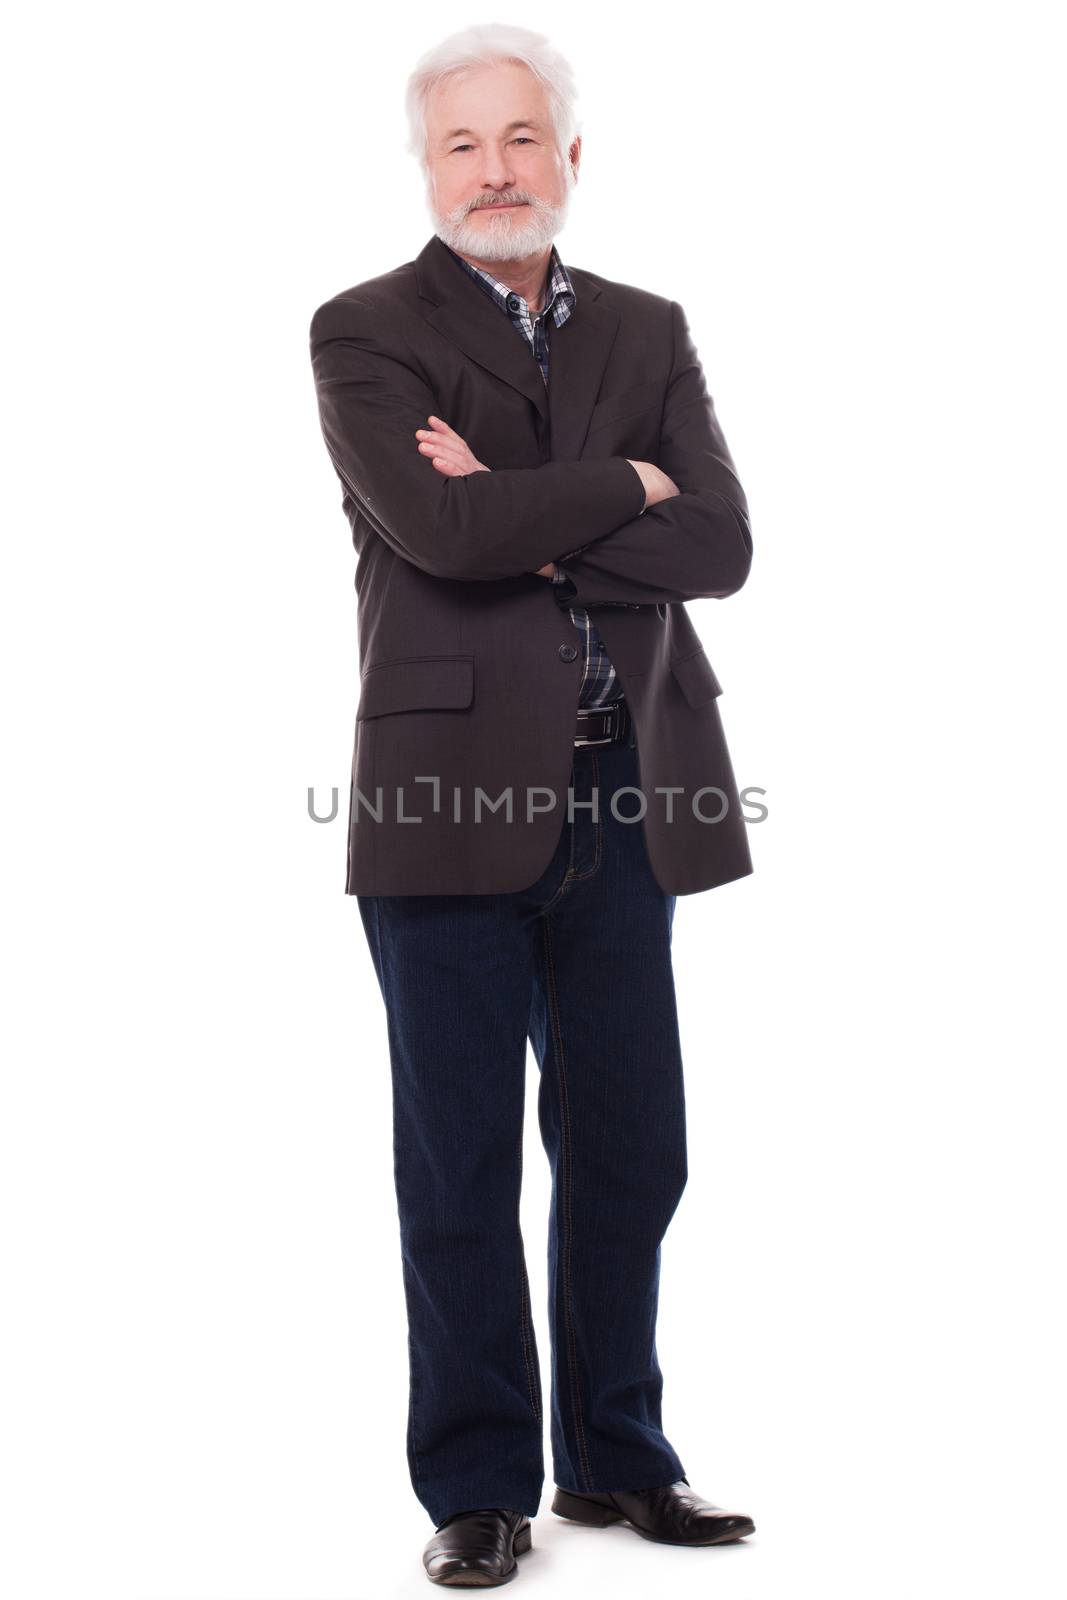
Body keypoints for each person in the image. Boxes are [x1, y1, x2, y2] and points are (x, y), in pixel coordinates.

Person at [308, 22, 757, 1587]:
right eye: (462, 145)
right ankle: (481, 1486)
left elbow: (720, 550)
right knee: (460, 1166)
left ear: (573, 154)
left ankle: (621, 1462)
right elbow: (434, 526)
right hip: (440, 806)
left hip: (628, 795)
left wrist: (536, 516)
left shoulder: (651, 325)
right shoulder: (362, 330)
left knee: (633, 1149)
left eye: (521, 141)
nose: (494, 172)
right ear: (425, 166)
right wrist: (622, 487)